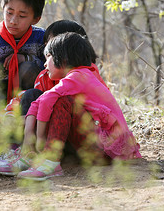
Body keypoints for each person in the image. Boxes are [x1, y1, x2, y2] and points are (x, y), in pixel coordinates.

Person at [17, 32, 141, 181]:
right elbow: (39, 101)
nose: (44, 64)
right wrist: (29, 134)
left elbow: (44, 101)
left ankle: (50, 160)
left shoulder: (78, 76)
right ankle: (41, 158)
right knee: (58, 99)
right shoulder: (79, 76)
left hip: (106, 151)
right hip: (100, 149)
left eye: (48, 56)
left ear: (63, 59)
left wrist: (40, 139)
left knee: (63, 102)